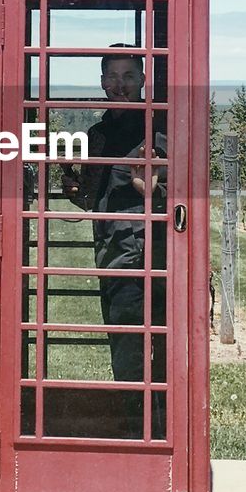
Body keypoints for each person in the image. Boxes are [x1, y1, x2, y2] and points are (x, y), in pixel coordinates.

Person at [61, 45, 167, 436]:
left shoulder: (157, 129)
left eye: (128, 76)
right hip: (108, 248)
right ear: (102, 82)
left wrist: (152, 188)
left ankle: (142, 430)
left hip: (141, 251)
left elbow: (170, 194)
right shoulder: (99, 132)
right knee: (121, 336)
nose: (120, 85)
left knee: (133, 342)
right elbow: (93, 197)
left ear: (142, 80)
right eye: (113, 77)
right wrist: (73, 186)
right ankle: (137, 420)